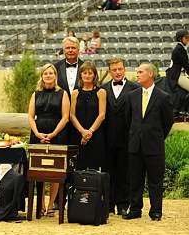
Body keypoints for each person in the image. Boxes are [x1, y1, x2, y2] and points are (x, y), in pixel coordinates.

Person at [123, 63, 174, 221]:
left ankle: (156, 211)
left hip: (154, 146)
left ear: (151, 74)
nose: (137, 74)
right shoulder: (131, 96)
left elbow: (168, 122)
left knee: (155, 180)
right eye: (137, 72)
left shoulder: (163, 97)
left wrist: (155, 137)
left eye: (140, 72)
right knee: (135, 179)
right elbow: (128, 120)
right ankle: (135, 209)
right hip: (135, 145)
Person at [27, 63, 70, 216]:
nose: (48, 76)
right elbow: (30, 117)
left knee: (55, 172)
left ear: (55, 76)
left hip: (57, 135)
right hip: (38, 135)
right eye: (46, 73)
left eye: (51, 73)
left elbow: (65, 117)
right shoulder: (35, 94)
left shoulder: (63, 93)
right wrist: (38, 133)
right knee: (39, 171)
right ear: (42, 76)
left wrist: (53, 134)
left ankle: (52, 205)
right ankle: (41, 204)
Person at [102, 58, 139, 215]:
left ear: (124, 70)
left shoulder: (135, 88)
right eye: (114, 70)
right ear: (110, 72)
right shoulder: (102, 89)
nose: (117, 72)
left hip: (127, 138)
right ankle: (108, 204)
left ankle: (123, 204)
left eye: (120, 69)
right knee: (108, 171)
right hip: (107, 138)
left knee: (125, 172)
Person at [69, 61, 107, 171]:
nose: (87, 75)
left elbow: (102, 115)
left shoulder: (101, 92)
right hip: (78, 135)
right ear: (80, 74)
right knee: (79, 168)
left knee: (93, 169)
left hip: (95, 135)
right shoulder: (75, 92)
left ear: (95, 75)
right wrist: (82, 132)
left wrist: (89, 132)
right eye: (84, 73)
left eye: (90, 73)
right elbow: (72, 115)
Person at [166, 29, 189, 95]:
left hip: (182, 72)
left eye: (188, 37)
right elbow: (186, 65)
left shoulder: (181, 48)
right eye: (186, 37)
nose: (188, 39)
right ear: (180, 38)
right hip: (177, 75)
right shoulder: (179, 49)